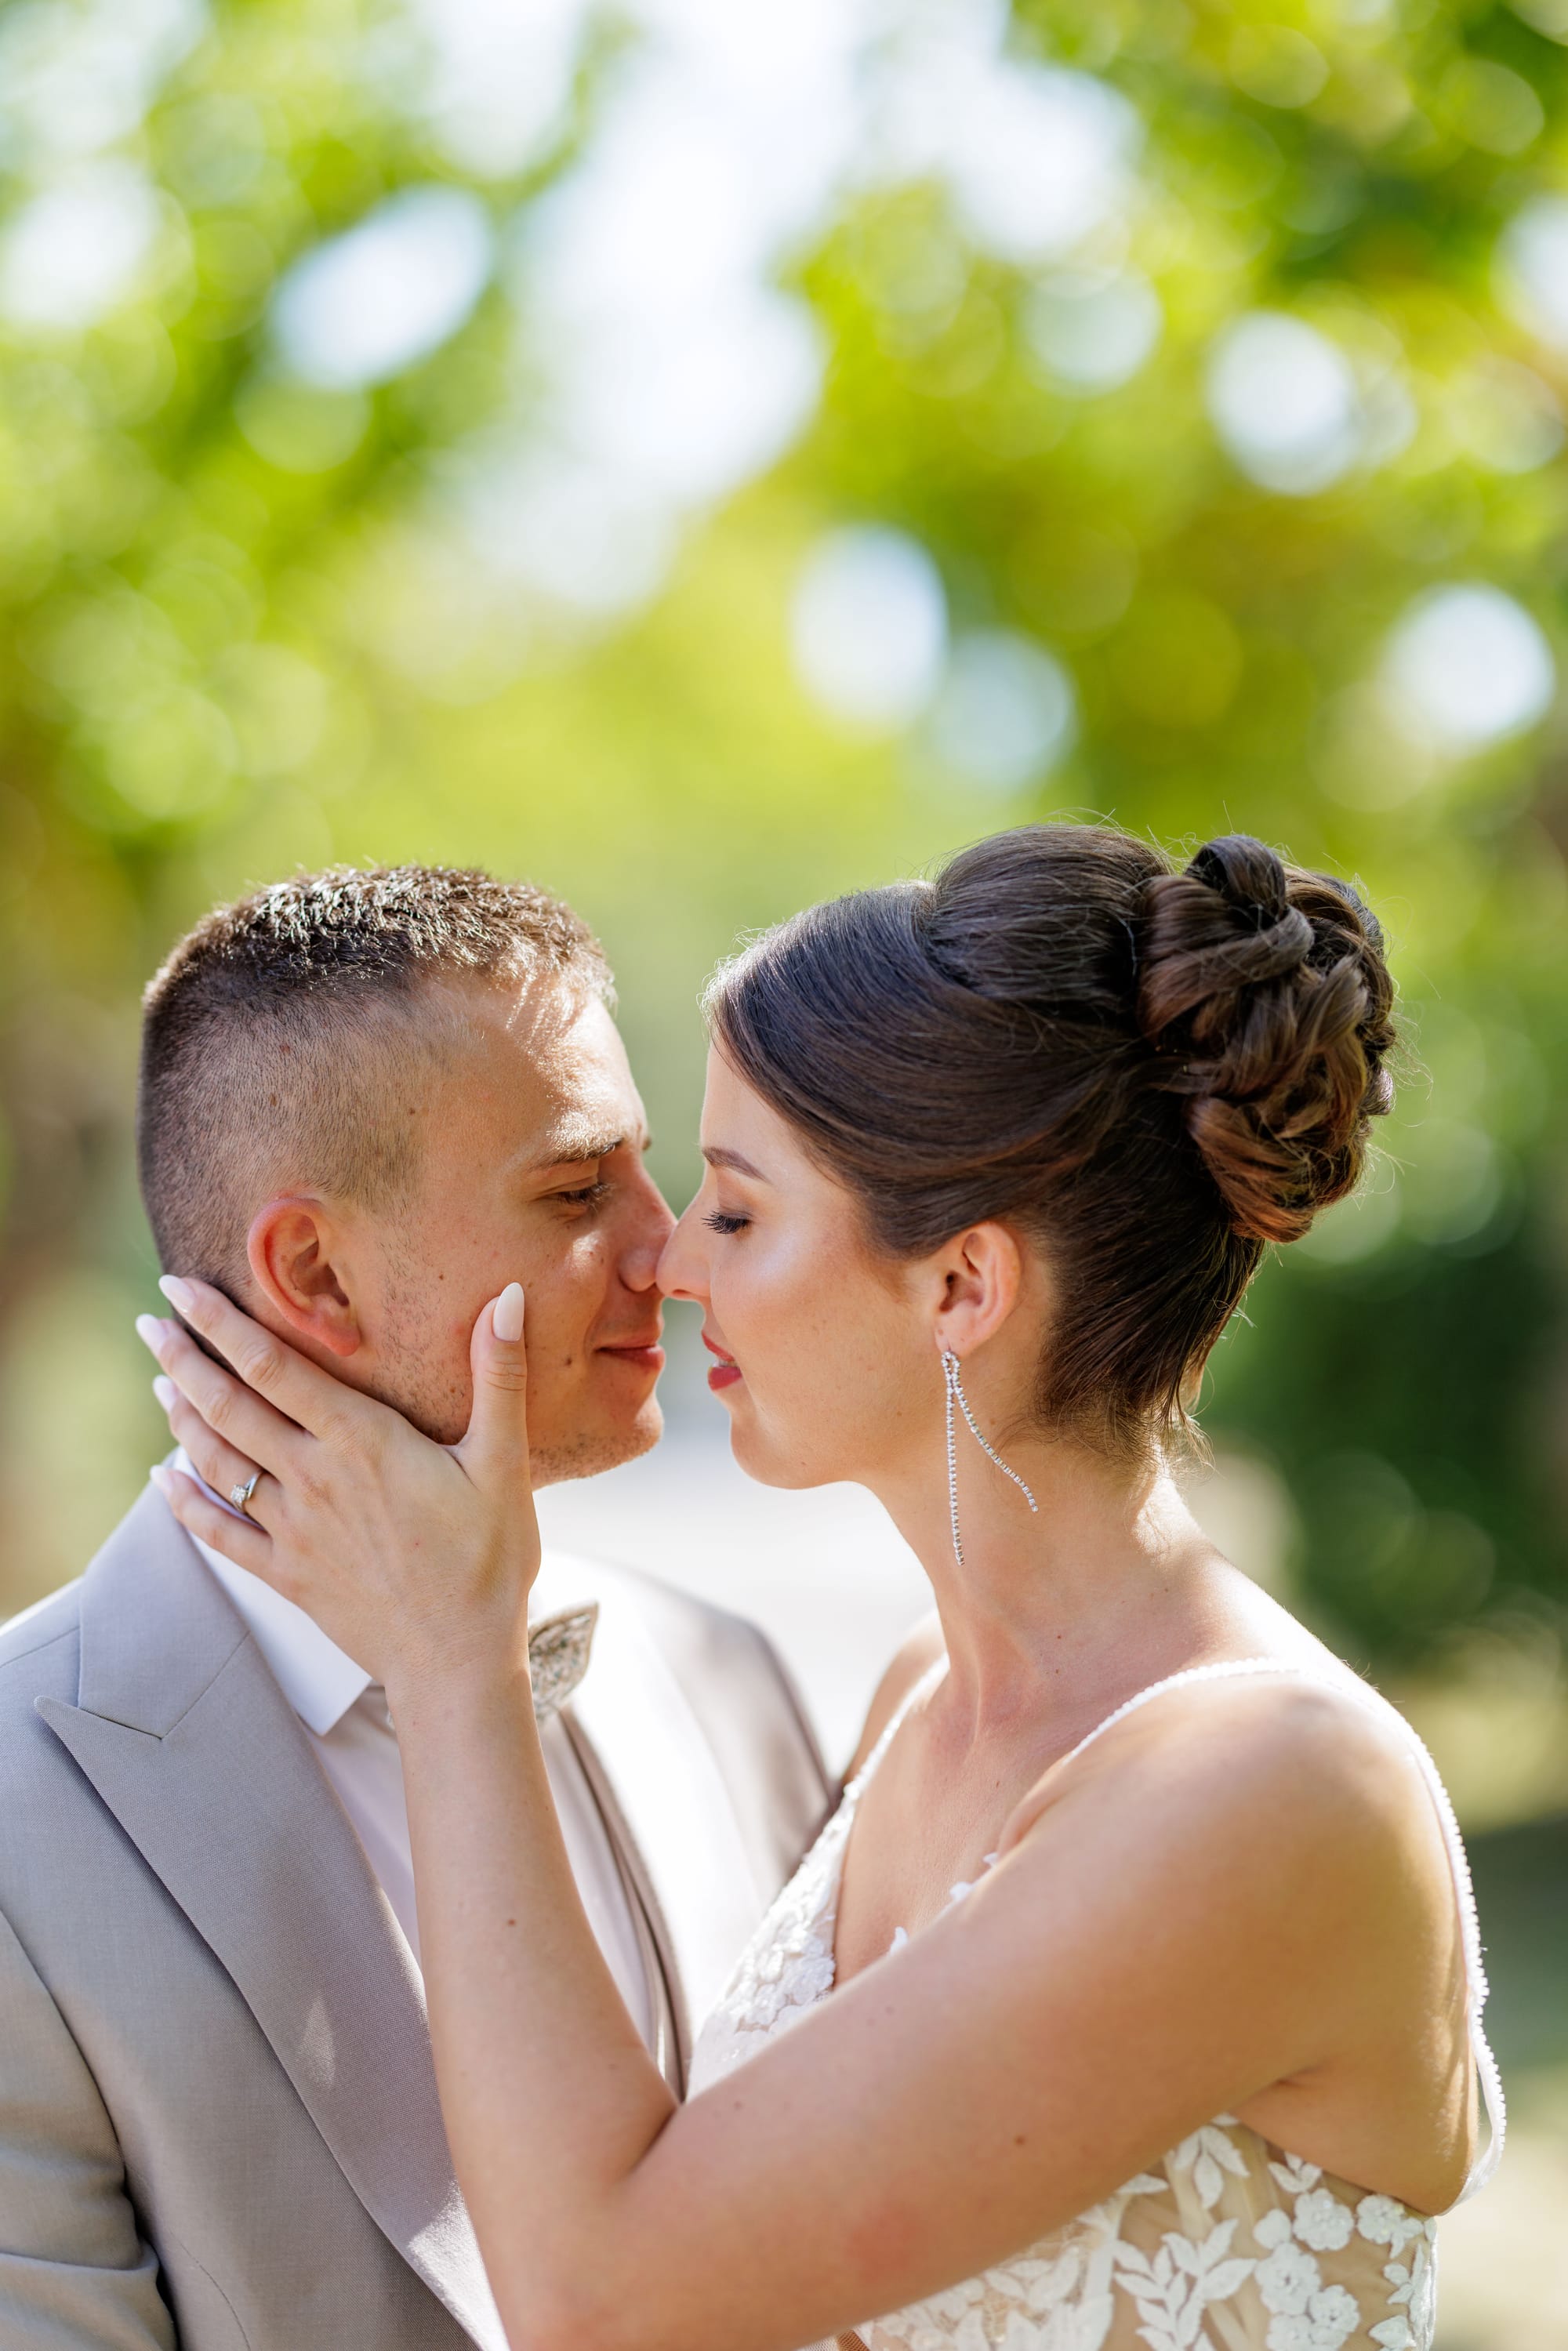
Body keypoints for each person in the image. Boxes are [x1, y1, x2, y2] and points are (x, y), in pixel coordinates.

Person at [143, 826, 1504, 2351]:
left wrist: (456, 1661)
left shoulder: (1273, 1791)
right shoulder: (917, 1698)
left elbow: (605, 2300)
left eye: (734, 1207)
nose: (670, 1268)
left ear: (960, 1288)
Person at [0, 865, 829, 2351]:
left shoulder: (728, 1678)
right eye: (579, 1191)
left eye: (650, 1170)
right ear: (312, 1270)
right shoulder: (16, 1816)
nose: (672, 1250)